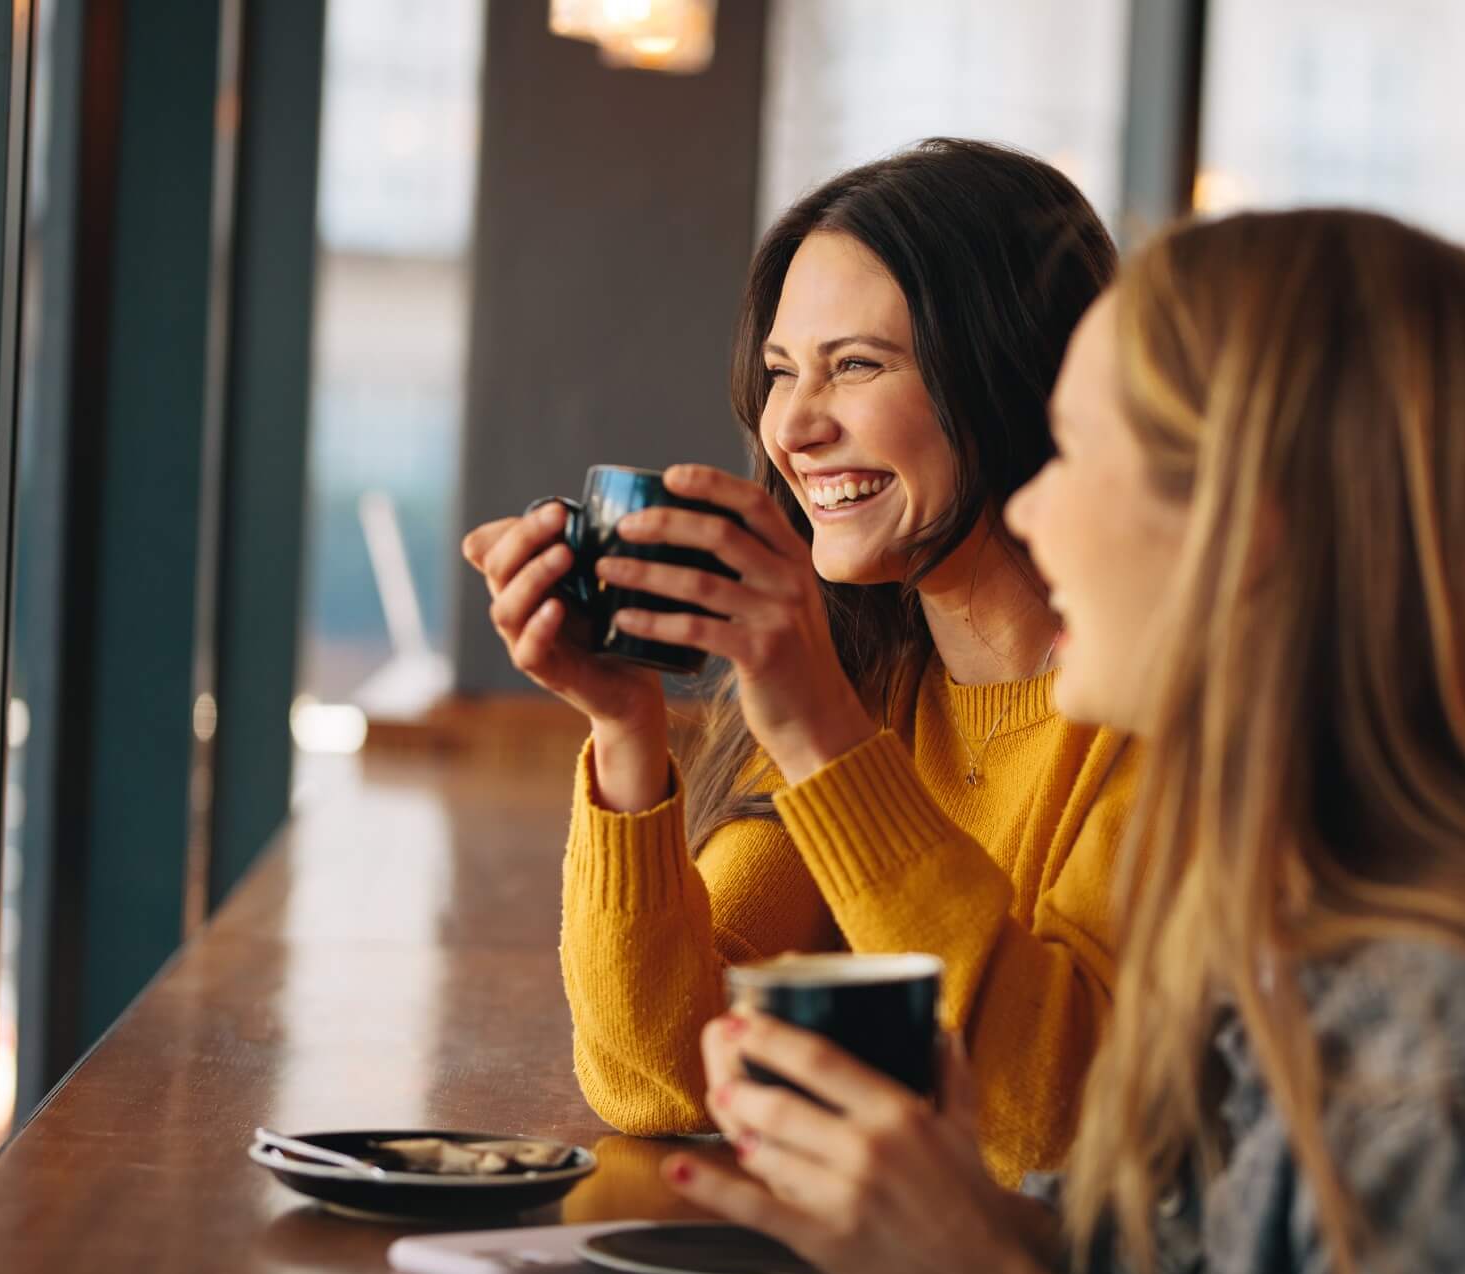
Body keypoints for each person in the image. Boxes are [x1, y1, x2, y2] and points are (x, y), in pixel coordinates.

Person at [675, 208, 1465, 1274]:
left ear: (1247, 522)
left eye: (1071, 456)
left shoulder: (1453, 1032)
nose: (1028, 515)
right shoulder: (1322, 897)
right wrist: (971, 1226)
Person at [463, 140, 1138, 1185]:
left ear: (1014, 377)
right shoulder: (869, 686)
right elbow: (665, 1078)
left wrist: (821, 729)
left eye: (856, 365)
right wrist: (624, 727)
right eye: (781, 373)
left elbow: (1043, 1128)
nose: (793, 428)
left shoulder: (1154, 716)